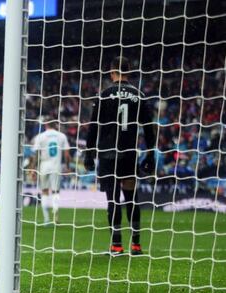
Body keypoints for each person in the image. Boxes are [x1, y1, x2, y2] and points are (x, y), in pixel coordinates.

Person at [84, 56, 156, 256]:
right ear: (129, 72)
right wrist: (151, 155)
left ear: (111, 72)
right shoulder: (139, 94)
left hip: (108, 155)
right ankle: (136, 245)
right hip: (129, 154)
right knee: (132, 198)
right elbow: (149, 128)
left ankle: (116, 245)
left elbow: (93, 128)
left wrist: (89, 154)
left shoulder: (104, 94)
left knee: (113, 200)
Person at [31, 121, 71, 225]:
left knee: (44, 191)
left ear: (46, 125)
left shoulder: (40, 136)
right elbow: (67, 154)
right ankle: (56, 217)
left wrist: (32, 168)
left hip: (43, 166)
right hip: (56, 166)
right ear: (56, 125)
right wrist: (67, 167)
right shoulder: (62, 136)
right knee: (55, 192)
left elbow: (36, 154)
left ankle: (46, 219)